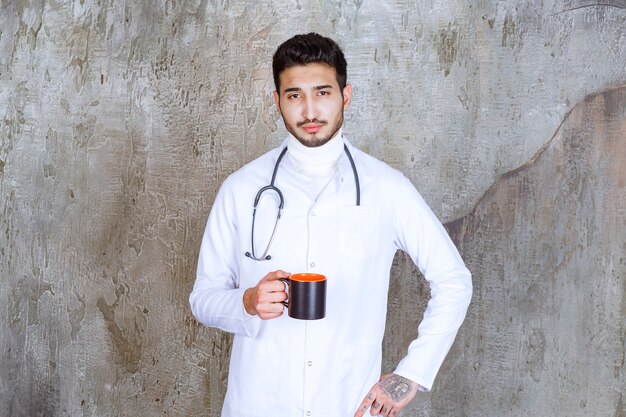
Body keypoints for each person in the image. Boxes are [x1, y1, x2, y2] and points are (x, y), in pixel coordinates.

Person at [189, 32, 472, 417]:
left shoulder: (386, 189)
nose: (309, 110)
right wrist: (248, 301)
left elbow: (454, 280)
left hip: (347, 404)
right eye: (294, 96)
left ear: (346, 95)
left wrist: (410, 375)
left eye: (322, 92)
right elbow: (203, 298)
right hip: (258, 404)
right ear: (277, 101)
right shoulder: (242, 189)